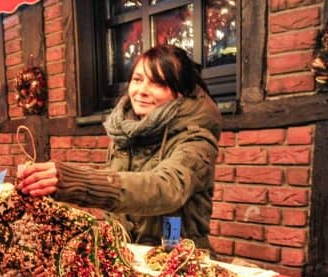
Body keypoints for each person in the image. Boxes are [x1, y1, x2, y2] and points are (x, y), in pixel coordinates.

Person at [17, 44, 222, 249]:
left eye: (158, 83)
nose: (142, 91)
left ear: (180, 92)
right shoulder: (125, 131)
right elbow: (115, 201)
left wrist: (76, 181)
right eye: (137, 80)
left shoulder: (196, 138)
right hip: (127, 257)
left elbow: (166, 188)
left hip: (179, 264)